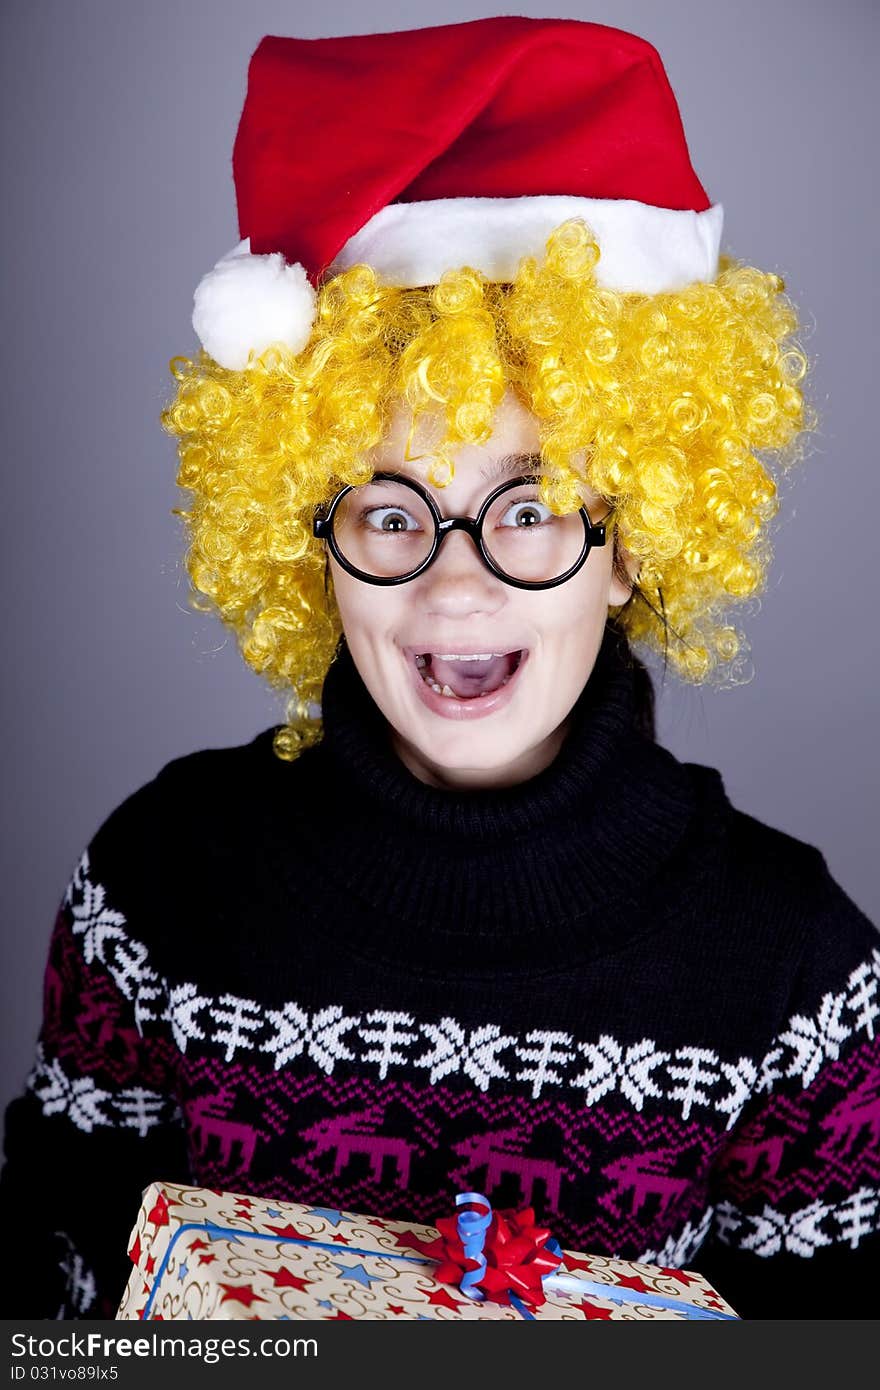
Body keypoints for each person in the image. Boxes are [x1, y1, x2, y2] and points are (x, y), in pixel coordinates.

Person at [2, 16, 878, 1321]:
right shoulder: (158, 887)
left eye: (529, 509)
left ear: (629, 540)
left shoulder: (799, 978)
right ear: (311, 534)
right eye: (392, 510)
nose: (454, 583)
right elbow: (52, 1316)